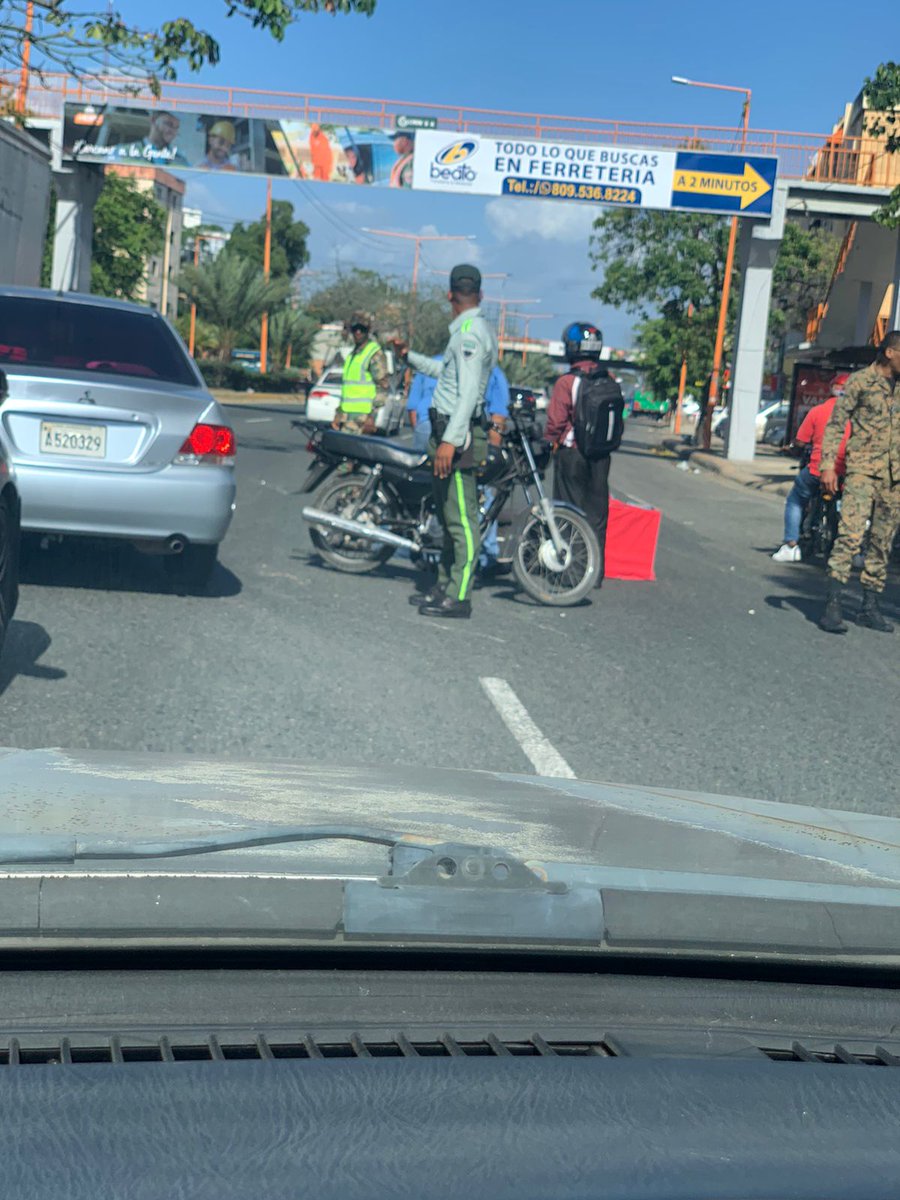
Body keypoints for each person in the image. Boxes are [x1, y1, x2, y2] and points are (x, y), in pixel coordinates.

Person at [393, 264, 498, 619]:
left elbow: (467, 394)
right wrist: (410, 358)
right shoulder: (467, 331)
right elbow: (447, 373)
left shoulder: (470, 333)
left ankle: (460, 595)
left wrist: (450, 443)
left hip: (458, 436)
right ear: (480, 295)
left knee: (462, 520)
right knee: (448, 514)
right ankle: (444, 585)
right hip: (448, 433)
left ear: (449, 295)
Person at [818, 331, 900, 634]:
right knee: (850, 536)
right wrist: (828, 466)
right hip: (862, 472)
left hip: (894, 479)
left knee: (882, 543)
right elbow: (836, 424)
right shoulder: (860, 382)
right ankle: (833, 605)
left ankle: (869, 607)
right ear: (890, 352)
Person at [545, 321, 623, 587]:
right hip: (601, 456)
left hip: (573, 454)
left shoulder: (567, 382)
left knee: (568, 511)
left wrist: (547, 444)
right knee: (597, 514)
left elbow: (555, 423)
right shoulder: (609, 380)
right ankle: (594, 573)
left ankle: (569, 571)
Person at [772, 374, 851, 563]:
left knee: (795, 500)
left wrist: (791, 447)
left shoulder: (818, 411)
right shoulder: (858, 416)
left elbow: (800, 441)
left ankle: (791, 545)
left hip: (818, 471)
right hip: (845, 473)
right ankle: (856, 552)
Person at [333, 313, 390, 435]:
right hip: (347, 416)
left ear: (368, 330)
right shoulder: (352, 355)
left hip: (362, 418)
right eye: (355, 329)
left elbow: (382, 387)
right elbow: (347, 390)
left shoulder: (374, 353)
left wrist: (372, 417)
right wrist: (339, 413)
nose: (358, 332)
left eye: (362, 329)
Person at [479, 363, 510, 571]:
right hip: (473, 441)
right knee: (485, 494)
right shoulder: (493, 373)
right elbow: (497, 418)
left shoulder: (441, 362)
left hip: (434, 432)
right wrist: (494, 453)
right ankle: (487, 555)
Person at [110, 110, 189, 166]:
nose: (172, 131)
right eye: (169, 124)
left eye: (176, 127)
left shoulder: (180, 161)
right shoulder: (124, 151)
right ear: (153, 120)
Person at [407, 357, 441, 453]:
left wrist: (417, 428)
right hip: (453, 427)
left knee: (420, 463)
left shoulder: (426, 368)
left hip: (426, 423)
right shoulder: (461, 366)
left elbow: (412, 406)